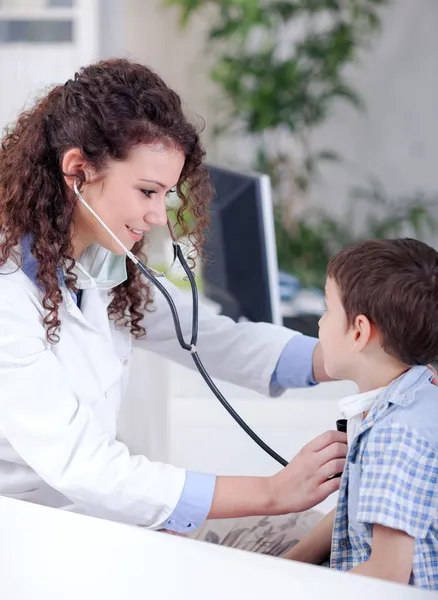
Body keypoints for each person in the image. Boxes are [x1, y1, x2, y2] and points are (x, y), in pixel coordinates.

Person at [0, 58, 347, 553]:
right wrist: (272, 493)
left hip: (96, 520)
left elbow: (212, 336)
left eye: (166, 194)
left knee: (311, 543)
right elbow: (87, 466)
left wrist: (347, 357)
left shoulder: (99, 268)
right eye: (146, 191)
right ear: (78, 171)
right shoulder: (8, 297)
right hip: (32, 543)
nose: (158, 216)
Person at [283, 238, 438, 590]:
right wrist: (280, 569)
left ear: (359, 331)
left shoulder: (396, 435)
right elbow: (354, 511)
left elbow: (387, 575)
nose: (320, 324)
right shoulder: (412, 394)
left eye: (327, 309)